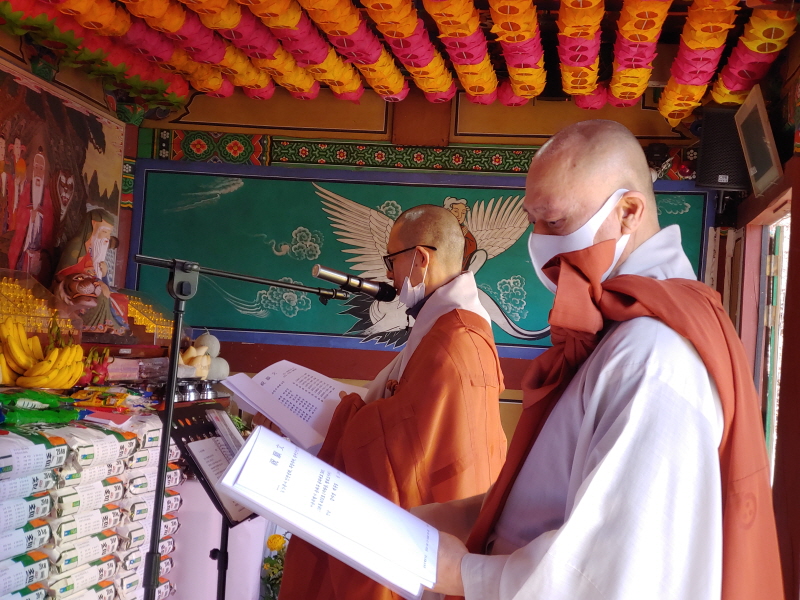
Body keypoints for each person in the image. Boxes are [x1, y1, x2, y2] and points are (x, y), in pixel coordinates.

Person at [419, 120, 781, 600]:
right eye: (532, 221)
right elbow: (542, 497)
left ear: (628, 211)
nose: (538, 242)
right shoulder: (617, 326)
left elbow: (614, 575)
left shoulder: (654, 355)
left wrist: (457, 571)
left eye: (555, 222)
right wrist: (419, 523)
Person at [279, 205, 508, 600]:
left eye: (391, 261)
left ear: (420, 259)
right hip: (456, 497)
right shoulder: (452, 323)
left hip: (441, 513)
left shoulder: (453, 339)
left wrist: (348, 415)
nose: (389, 275)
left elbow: (402, 447)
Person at [443, 197, 479, 271]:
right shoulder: (441, 227)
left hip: (461, 264)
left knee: (481, 254)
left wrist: (462, 237)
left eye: (463, 213)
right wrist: (458, 237)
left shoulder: (463, 229)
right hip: (444, 265)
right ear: (447, 211)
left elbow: (471, 248)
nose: (460, 216)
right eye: (456, 211)